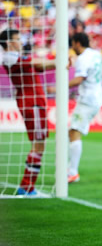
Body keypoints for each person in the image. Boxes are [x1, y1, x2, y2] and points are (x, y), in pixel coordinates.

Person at [1, 29, 56, 195]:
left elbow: (38, 66)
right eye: (18, 39)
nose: (21, 42)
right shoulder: (10, 57)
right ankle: (27, 187)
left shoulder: (17, 58)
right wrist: (60, 60)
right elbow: (38, 63)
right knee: (38, 144)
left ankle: (26, 187)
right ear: (9, 42)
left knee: (39, 143)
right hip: (32, 103)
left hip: (32, 101)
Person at [66, 32, 102, 183]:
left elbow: (79, 79)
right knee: (71, 132)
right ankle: (70, 168)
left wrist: (58, 88)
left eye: (72, 44)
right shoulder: (95, 54)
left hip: (88, 100)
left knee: (75, 132)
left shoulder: (83, 59)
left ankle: (72, 172)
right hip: (96, 95)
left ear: (77, 43)